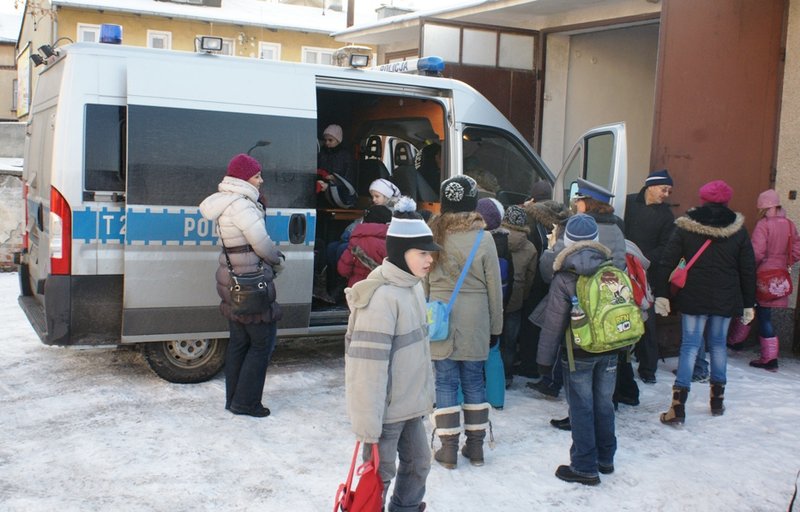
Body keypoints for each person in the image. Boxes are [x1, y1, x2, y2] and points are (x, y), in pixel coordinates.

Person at [344, 196, 440, 512]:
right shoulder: (381, 299)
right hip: (384, 414)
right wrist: (368, 430)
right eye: (422, 253)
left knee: (419, 464)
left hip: (410, 406)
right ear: (400, 253)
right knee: (378, 476)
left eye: (431, 253)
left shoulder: (413, 286)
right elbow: (365, 373)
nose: (429, 260)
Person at [655, 180, 756, 426]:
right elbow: (747, 269)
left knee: (690, 346)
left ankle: (678, 406)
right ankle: (717, 401)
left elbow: (667, 260)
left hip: (693, 295)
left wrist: (661, 294)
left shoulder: (686, 226)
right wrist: (748, 302)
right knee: (718, 345)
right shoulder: (738, 229)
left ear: (703, 199)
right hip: (725, 296)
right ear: (726, 200)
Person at [535, 214, 617, 485]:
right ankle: (605, 458)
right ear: (596, 239)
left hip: (577, 352)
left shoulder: (564, 275)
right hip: (610, 348)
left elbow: (554, 323)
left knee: (581, 407)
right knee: (604, 403)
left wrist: (544, 361)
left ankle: (584, 465)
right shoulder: (612, 267)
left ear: (567, 241)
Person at [199, 154, 284, 418]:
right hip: (252, 282)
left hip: (232, 280)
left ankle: (233, 399)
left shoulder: (227, 203)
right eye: (257, 175)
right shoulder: (243, 206)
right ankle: (246, 403)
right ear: (244, 178)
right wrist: (278, 260)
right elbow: (262, 244)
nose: (261, 180)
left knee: (238, 342)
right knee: (261, 343)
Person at [428, 175, 503, 469]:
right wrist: (496, 327)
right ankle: (475, 448)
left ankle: (447, 449)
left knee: (445, 380)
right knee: (474, 380)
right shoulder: (484, 238)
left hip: (440, 315)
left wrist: (426, 311)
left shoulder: (433, 235)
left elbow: (423, 279)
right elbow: (494, 288)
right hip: (476, 318)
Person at [624, 169, 675, 384]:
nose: (666, 194)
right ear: (650, 186)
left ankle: (648, 368)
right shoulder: (627, 203)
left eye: (669, 191)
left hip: (646, 272)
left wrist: (642, 259)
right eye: (664, 189)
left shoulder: (666, 215)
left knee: (647, 321)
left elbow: (666, 246)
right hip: (621, 267)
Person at [748, 189, 800, 370]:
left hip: (764, 275)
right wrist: (786, 261)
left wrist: (750, 267)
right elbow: (796, 249)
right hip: (781, 276)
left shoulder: (763, 225)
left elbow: (757, 252)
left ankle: (769, 358)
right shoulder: (790, 224)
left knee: (763, 316)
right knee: (766, 316)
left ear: (763, 207)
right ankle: (769, 356)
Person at [499, 205, 538, 387]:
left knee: (492, 341)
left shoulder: (494, 239)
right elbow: (530, 277)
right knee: (510, 342)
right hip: (515, 301)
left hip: (496, 297)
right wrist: (522, 297)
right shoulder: (530, 247)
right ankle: (506, 377)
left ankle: (488, 376)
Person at [337, 204, 392, 288]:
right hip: (380, 289)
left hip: (357, 289)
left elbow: (343, 270)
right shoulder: (390, 243)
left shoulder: (356, 240)